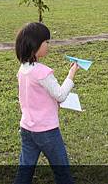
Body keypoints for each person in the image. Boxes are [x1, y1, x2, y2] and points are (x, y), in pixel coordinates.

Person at [13, 22, 79, 184]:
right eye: (46, 42)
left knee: (25, 170)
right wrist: (71, 74)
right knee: (62, 171)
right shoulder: (43, 72)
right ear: (35, 45)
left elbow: (35, 96)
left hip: (27, 129)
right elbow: (60, 95)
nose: (48, 45)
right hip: (47, 132)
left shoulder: (23, 69)